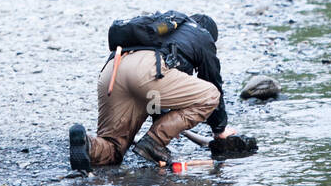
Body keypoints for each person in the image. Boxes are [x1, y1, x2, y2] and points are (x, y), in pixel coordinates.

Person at [69, 11, 237, 170]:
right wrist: (219, 130)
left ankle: (87, 145)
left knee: (115, 148)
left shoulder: (164, 28)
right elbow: (212, 81)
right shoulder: (202, 35)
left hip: (112, 71)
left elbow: (155, 96)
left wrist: (161, 119)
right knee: (211, 94)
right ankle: (154, 143)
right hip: (147, 71)